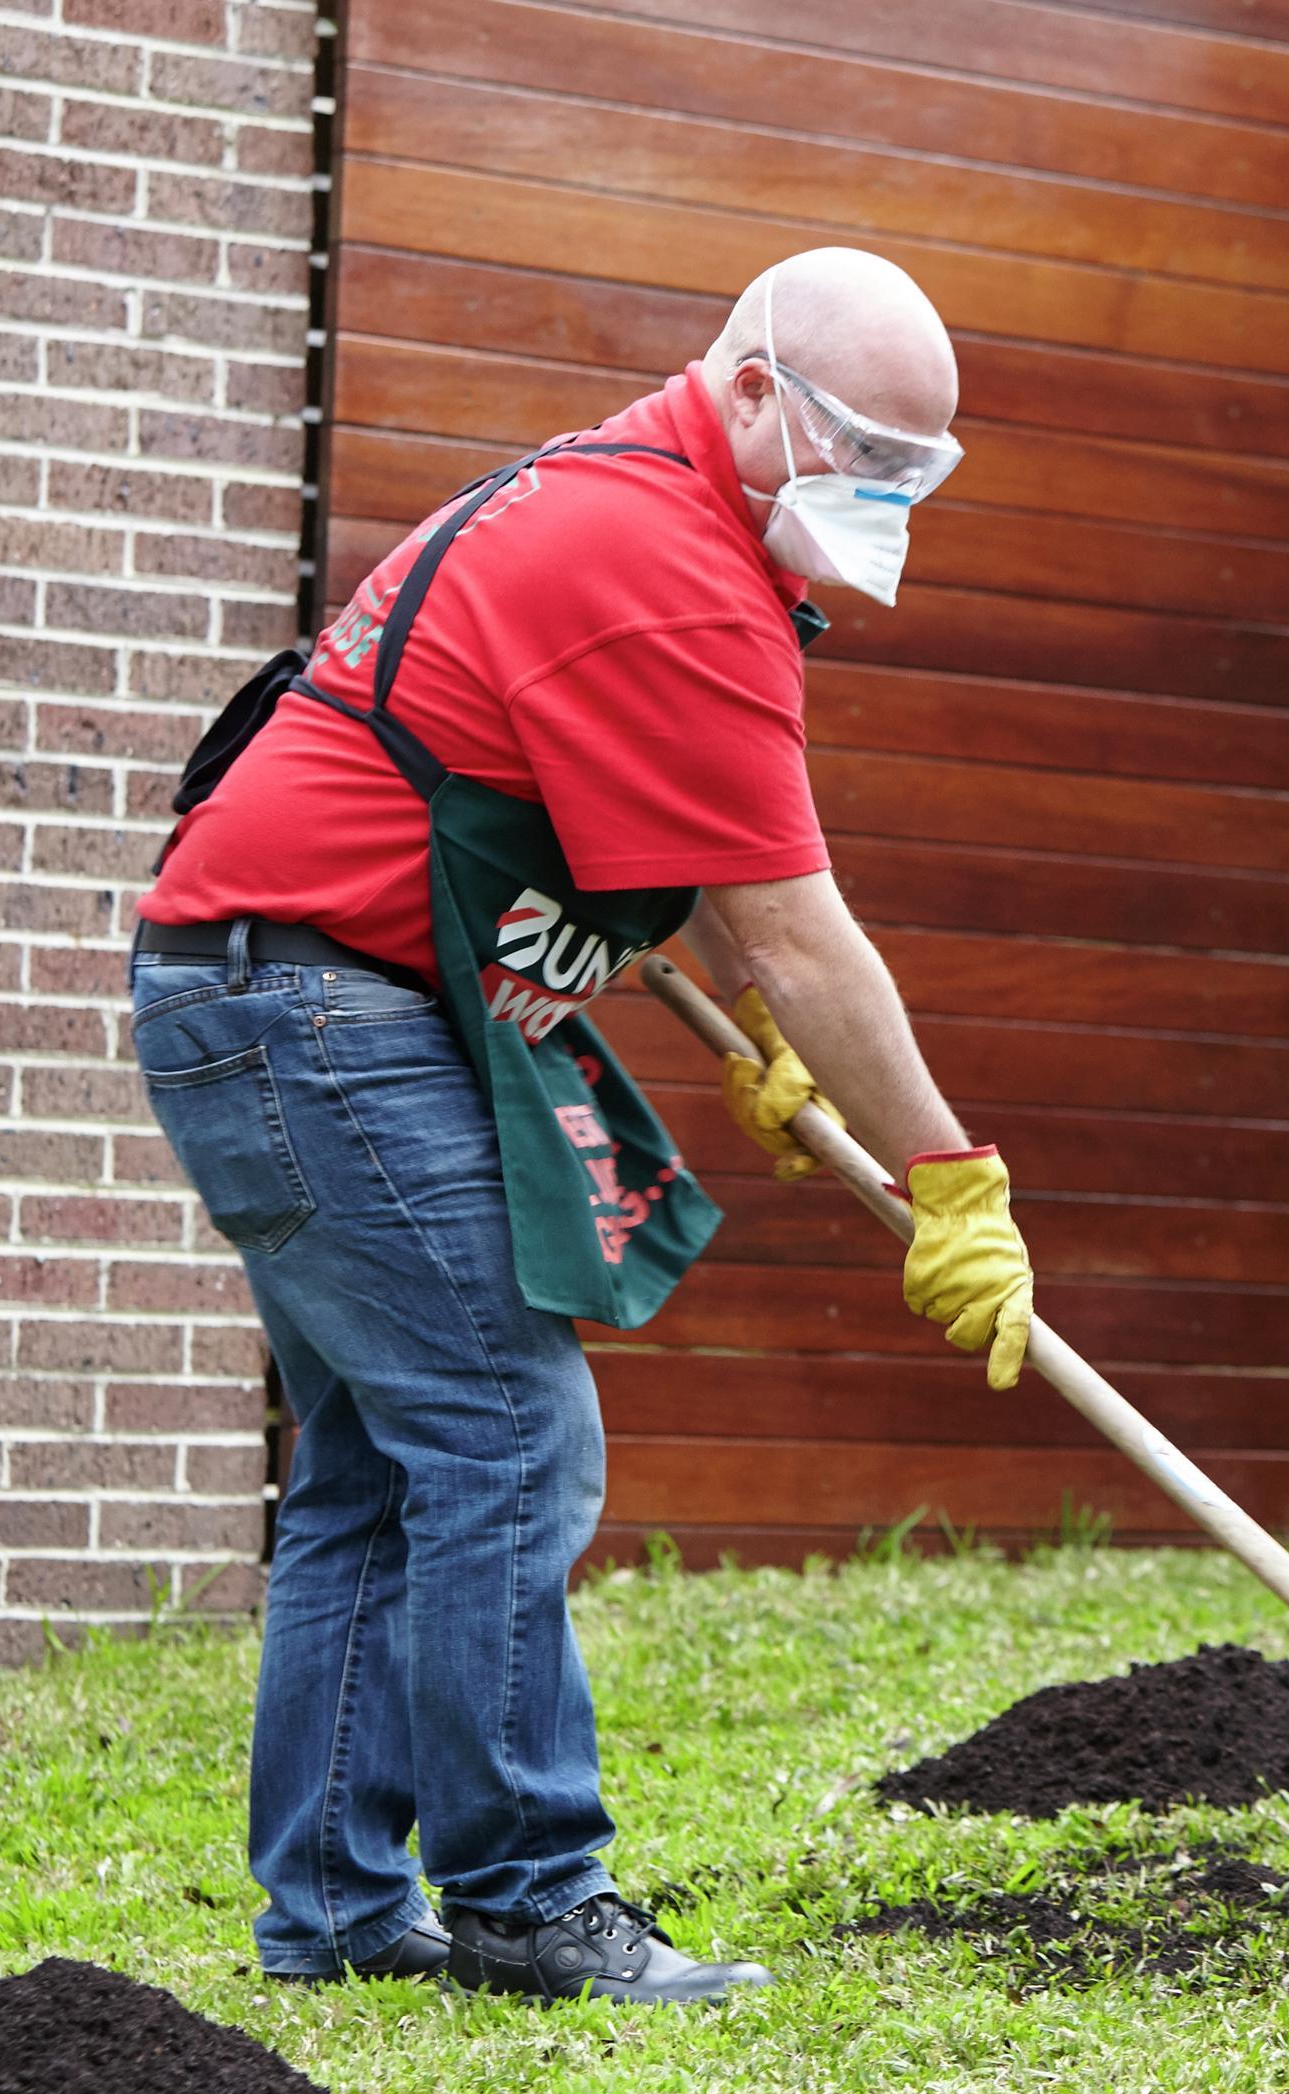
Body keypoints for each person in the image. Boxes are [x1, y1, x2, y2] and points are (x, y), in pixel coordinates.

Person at [126, 248, 1034, 2005]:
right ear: (753, 389)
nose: (886, 496)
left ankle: (333, 1908)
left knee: (384, 1472)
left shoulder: (640, 511)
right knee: (504, 1438)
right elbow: (794, 919)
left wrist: (768, 1030)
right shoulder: (662, 563)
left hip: (256, 996)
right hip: (314, 1008)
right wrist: (948, 1172)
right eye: (865, 450)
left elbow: (661, 840)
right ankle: (532, 1898)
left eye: (921, 472)